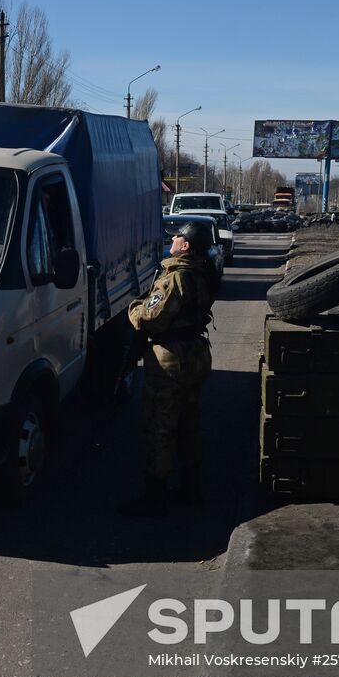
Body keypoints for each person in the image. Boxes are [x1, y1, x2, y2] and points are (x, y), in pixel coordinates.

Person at [119, 221, 219, 517]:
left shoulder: (174, 278)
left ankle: (155, 497)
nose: (172, 240)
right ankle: (191, 488)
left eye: (176, 237)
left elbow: (151, 318)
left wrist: (134, 308)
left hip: (171, 358)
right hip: (196, 353)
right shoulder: (203, 272)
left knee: (160, 426)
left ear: (185, 245)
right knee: (189, 421)